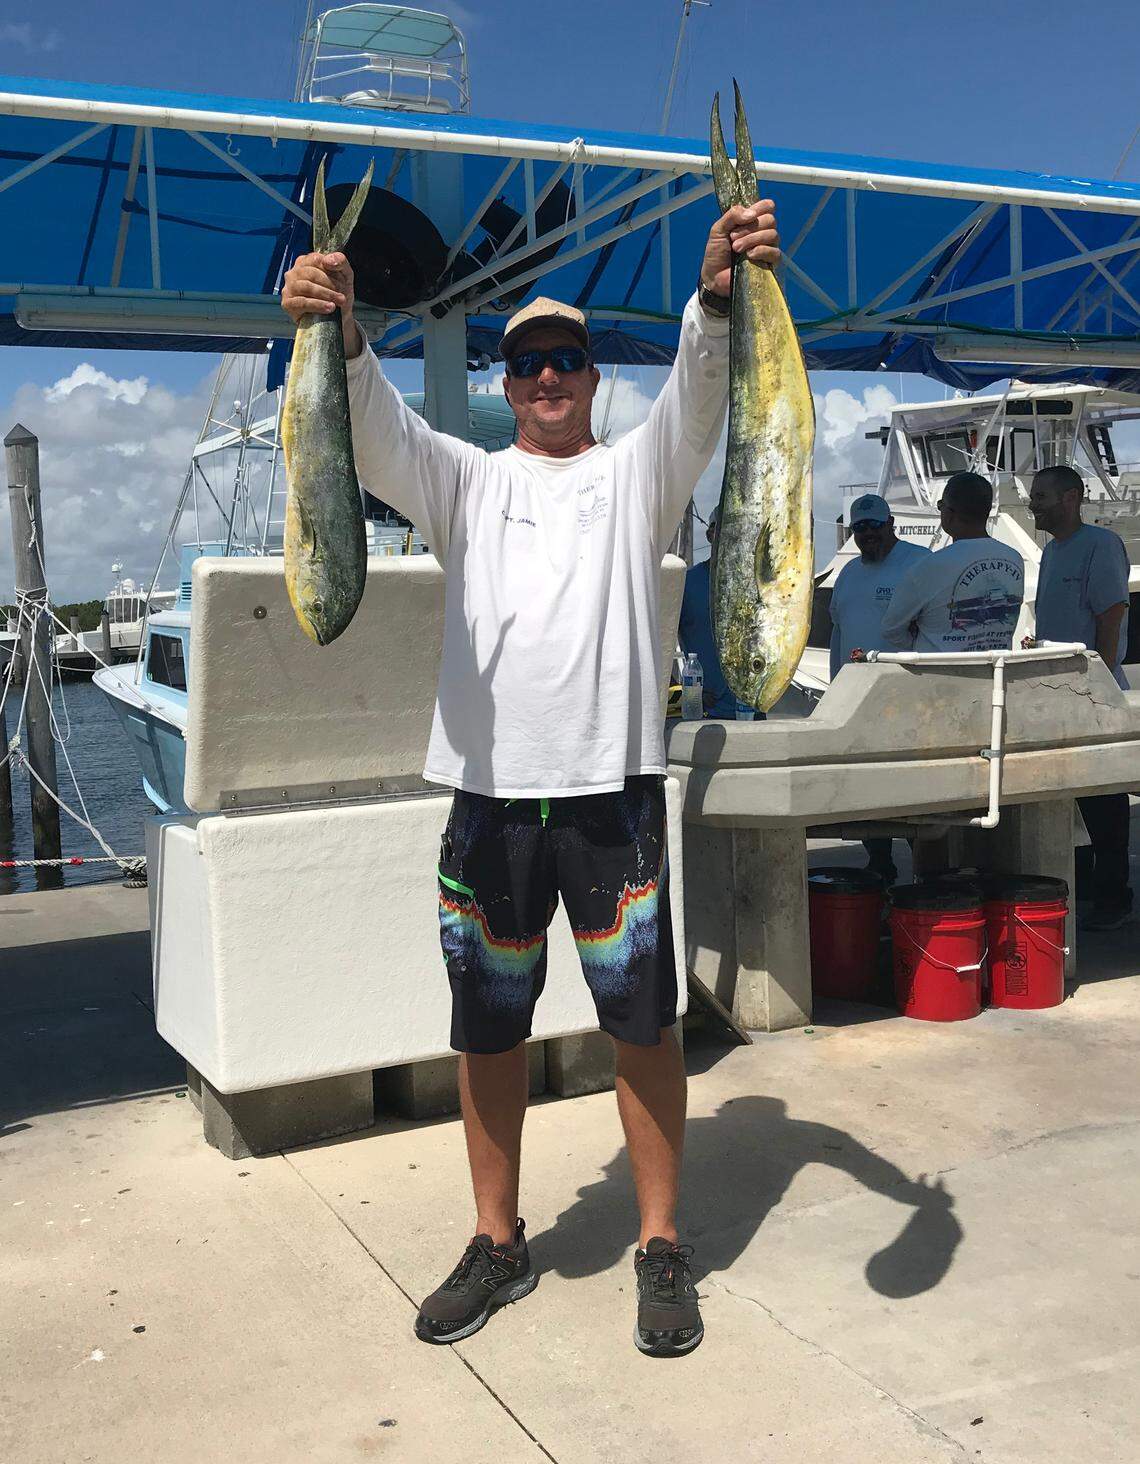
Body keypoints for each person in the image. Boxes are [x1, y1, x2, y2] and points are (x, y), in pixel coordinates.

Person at [282, 195, 781, 1357]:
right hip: (488, 802)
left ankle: (660, 1243)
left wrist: (716, 296)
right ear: (505, 386)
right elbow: (369, 428)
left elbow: (702, 400)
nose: (548, 378)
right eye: (527, 364)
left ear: (594, 377)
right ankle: (498, 1240)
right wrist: (339, 327)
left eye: (566, 361)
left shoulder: (641, 477)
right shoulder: (465, 480)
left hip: (614, 799)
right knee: (487, 1033)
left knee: (642, 1027)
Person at [1028, 464, 1133, 930]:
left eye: (1042, 495)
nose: (1034, 503)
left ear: (1071, 498)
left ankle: (1115, 897)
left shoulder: (1101, 545)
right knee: (1072, 797)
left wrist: (1102, 679)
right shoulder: (1051, 552)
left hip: (1093, 691)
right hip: (1057, 693)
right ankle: (1088, 886)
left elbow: (1111, 614)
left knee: (1105, 800)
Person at [829, 492, 930, 883]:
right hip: (855, 699)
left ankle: (925, 870)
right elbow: (839, 630)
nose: (867, 534)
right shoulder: (849, 573)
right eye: (859, 528)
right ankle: (880, 863)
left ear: (891, 524)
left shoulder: (920, 562)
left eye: (874, 525)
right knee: (868, 789)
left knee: (912, 792)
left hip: (909, 698)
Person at [881, 472, 1024, 654]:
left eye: (941, 506)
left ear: (948, 513)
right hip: (994, 674)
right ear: (987, 511)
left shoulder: (928, 567)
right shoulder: (1014, 558)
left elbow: (891, 629)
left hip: (942, 676)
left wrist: (919, 647)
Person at [678, 508, 761, 719]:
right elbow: (659, 640)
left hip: (753, 711)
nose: (729, 534)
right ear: (710, 534)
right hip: (706, 713)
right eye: (722, 528)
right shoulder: (686, 584)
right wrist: (683, 691)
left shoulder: (757, 582)